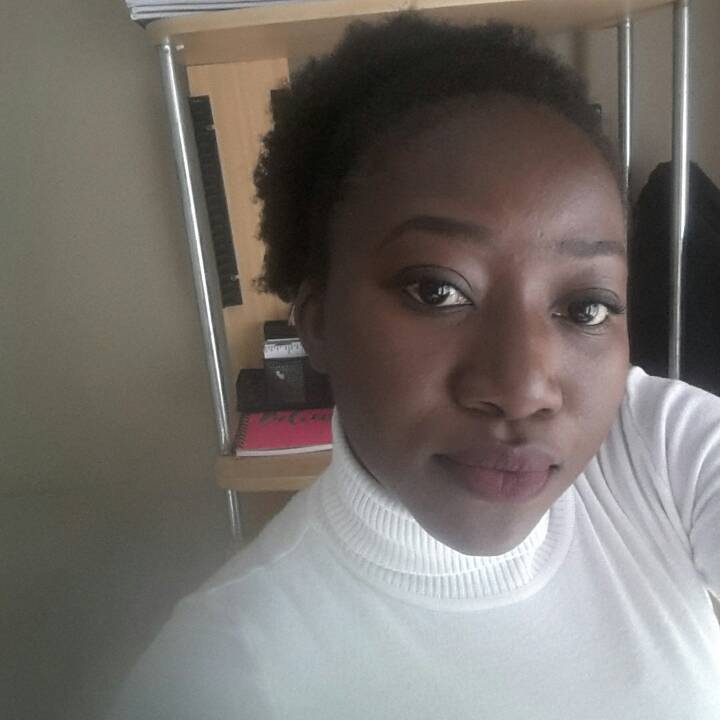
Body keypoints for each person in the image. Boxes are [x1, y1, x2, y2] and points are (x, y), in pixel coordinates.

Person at [111, 13, 720, 719]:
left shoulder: (661, 451)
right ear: (316, 319)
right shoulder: (218, 680)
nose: (523, 389)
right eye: (437, 291)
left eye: (586, 307)